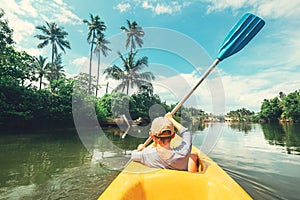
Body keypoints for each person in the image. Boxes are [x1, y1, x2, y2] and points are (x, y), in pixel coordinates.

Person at [131, 112, 199, 172]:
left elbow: (132, 155)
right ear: (173, 135)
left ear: (151, 135)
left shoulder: (145, 154)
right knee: (193, 155)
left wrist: (140, 149)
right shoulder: (184, 152)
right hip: (180, 182)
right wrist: (171, 118)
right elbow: (186, 132)